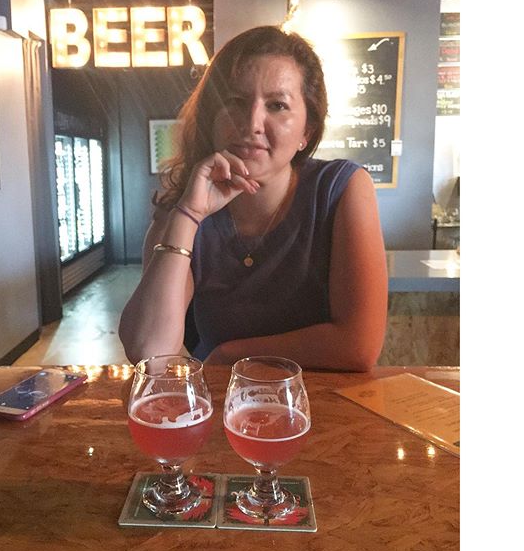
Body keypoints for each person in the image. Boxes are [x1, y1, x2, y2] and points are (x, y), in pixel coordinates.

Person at [119, 25, 387, 371]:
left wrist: (230, 355)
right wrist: (189, 214)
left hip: (318, 399)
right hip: (226, 400)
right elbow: (149, 351)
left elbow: (359, 346)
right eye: (236, 102)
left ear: (307, 131)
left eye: (277, 105)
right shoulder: (182, 210)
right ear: (212, 118)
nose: (252, 123)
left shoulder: (341, 188)